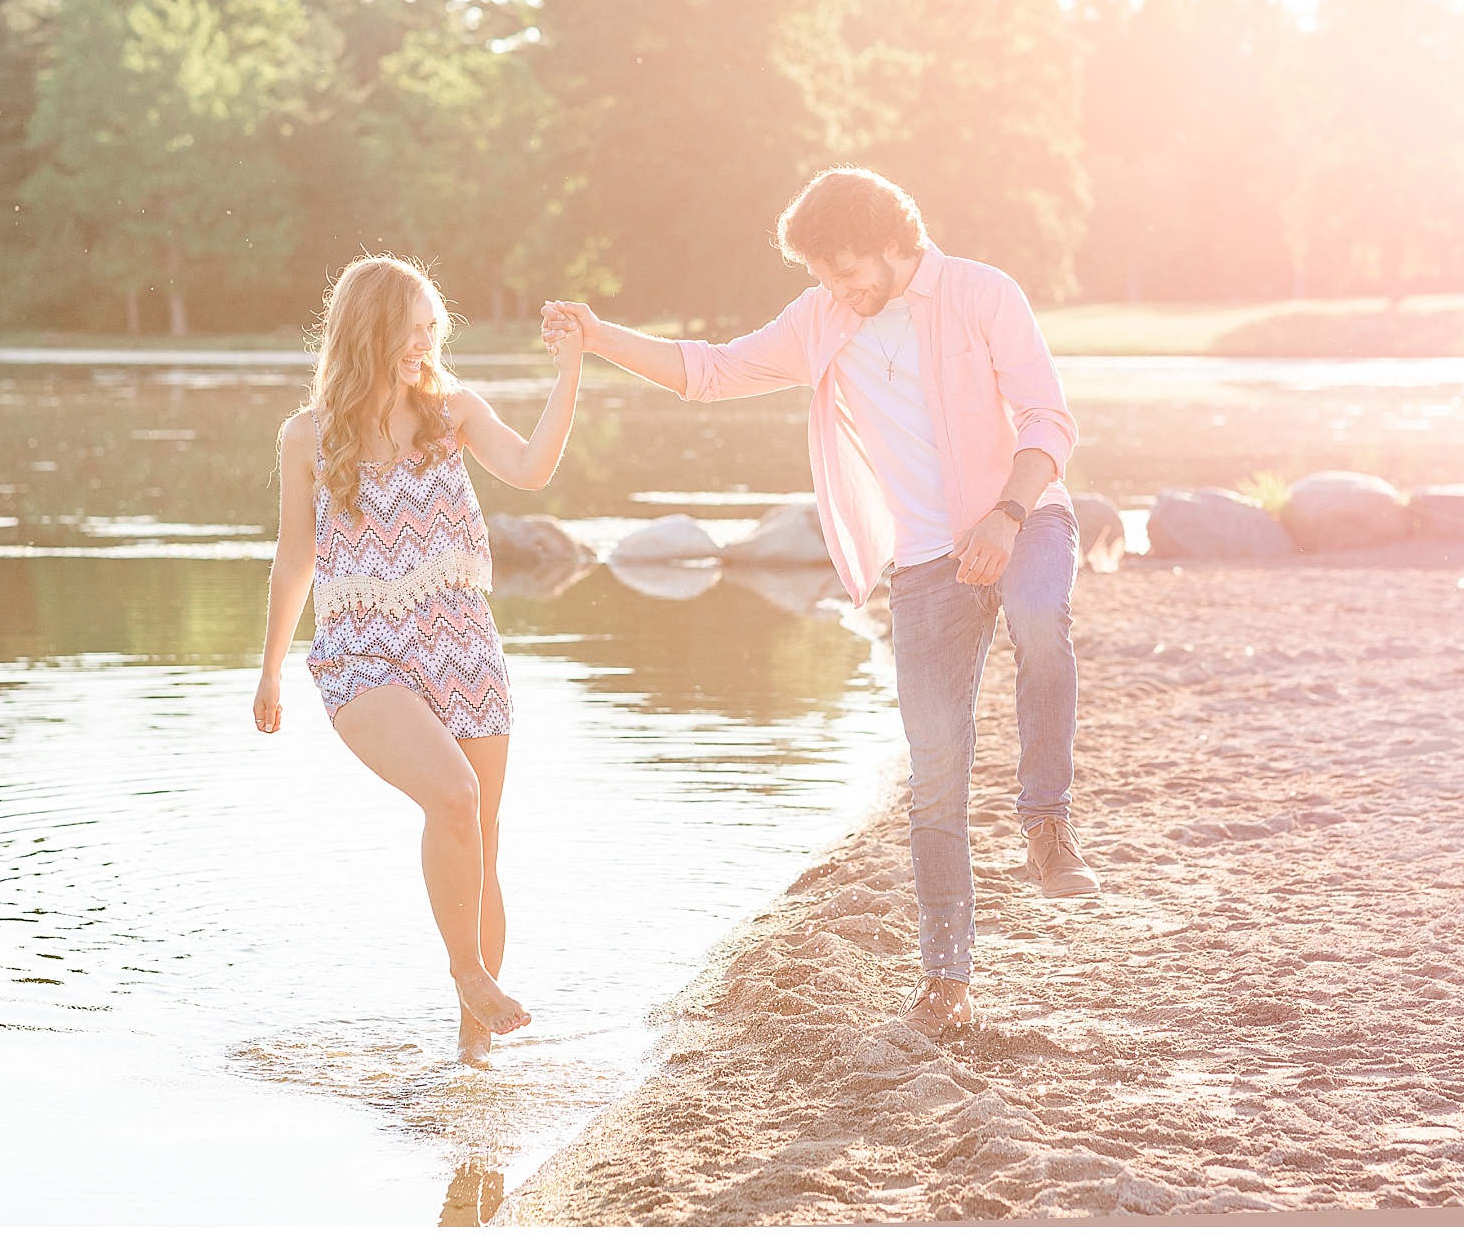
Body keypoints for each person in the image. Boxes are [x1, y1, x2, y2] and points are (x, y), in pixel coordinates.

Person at [541, 167, 1094, 1038]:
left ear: (891, 239)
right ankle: (947, 984)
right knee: (935, 776)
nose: (837, 290)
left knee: (1038, 620)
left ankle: (1047, 825)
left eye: (845, 270)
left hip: (1026, 520)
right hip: (922, 566)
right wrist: (601, 335)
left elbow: (1048, 421)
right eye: (823, 278)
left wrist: (1007, 513)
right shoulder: (822, 321)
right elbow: (710, 373)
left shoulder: (983, 294)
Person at [254, 253, 583, 1066]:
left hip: (466, 649)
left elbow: (534, 470)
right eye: (411, 332)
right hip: (363, 655)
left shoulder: (454, 413)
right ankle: (468, 974)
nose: (426, 346)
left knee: (483, 836)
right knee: (455, 794)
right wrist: (268, 671)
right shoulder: (308, 437)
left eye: (434, 330)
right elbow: (295, 558)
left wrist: (571, 372)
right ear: (367, 335)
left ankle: (474, 1053)